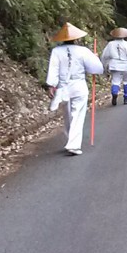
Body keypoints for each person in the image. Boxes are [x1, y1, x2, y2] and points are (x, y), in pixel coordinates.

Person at [46, 22, 103, 156]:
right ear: (76, 38)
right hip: (78, 85)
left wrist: (51, 85)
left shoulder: (56, 51)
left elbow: (53, 69)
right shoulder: (83, 50)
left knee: (67, 115)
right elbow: (97, 68)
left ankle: (71, 141)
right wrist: (94, 58)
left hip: (63, 87)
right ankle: (73, 144)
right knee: (77, 115)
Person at [101, 27, 127, 106]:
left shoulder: (110, 44)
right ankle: (126, 98)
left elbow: (105, 56)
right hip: (126, 65)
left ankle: (114, 93)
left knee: (115, 81)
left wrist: (104, 65)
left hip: (114, 65)